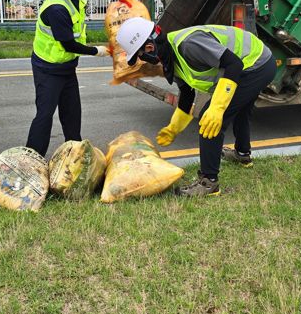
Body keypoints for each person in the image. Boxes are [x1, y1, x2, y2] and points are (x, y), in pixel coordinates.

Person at [116, 17, 276, 196]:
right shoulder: (172, 58)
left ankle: (209, 182)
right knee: (240, 109)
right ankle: (242, 154)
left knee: (210, 117)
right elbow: (186, 94)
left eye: (139, 55)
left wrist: (217, 107)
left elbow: (234, 64)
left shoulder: (189, 45)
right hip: (252, 63)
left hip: (257, 63)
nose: (142, 59)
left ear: (149, 47)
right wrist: (173, 128)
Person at [26, 0, 130, 157]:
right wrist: (97, 51)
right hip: (48, 67)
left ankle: (75, 155)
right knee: (45, 115)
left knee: (72, 113)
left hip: (66, 66)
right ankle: (31, 159)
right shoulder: (58, 7)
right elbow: (68, 44)